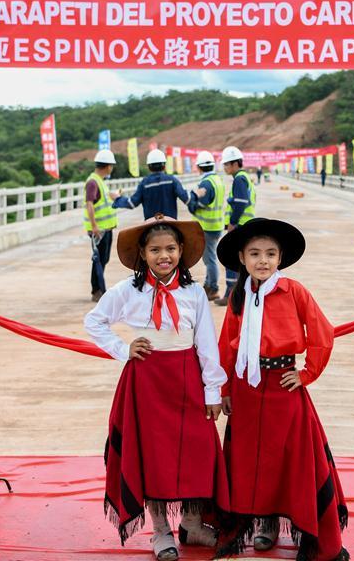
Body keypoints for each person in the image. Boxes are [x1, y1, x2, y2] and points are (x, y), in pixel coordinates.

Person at [84, 215, 229, 561]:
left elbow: (207, 344)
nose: (163, 255)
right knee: (152, 455)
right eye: (155, 250)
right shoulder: (126, 291)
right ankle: (161, 530)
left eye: (170, 248)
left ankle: (192, 525)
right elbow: (94, 321)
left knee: (198, 451)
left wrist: (212, 390)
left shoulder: (194, 293)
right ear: (143, 254)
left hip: (187, 378)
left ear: (181, 251)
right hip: (146, 382)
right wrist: (124, 348)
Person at [215, 218, 349, 561]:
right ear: (242, 259)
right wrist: (224, 388)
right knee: (251, 460)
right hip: (246, 389)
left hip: (282, 387)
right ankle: (262, 521)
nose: (263, 260)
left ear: (280, 258)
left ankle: (278, 523)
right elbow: (227, 346)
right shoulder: (239, 295)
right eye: (255, 254)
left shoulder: (295, 291)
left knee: (286, 458)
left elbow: (323, 333)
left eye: (270, 254)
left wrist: (306, 374)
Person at [214, 146, 256, 307]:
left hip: (239, 226)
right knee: (239, 260)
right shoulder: (244, 177)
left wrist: (232, 222)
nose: (224, 167)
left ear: (235, 164)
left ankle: (231, 294)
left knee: (231, 259)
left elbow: (241, 203)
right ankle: (238, 293)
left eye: (226, 164)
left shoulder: (239, 179)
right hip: (244, 225)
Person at [187, 150, 225, 301]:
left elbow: (198, 205)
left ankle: (213, 289)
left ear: (199, 167)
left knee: (210, 260)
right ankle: (208, 285)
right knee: (210, 258)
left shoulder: (206, 183)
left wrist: (191, 199)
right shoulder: (217, 180)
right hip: (215, 225)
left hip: (207, 227)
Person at [84, 149, 121, 302]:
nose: (111, 168)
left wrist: (115, 196)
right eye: (111, 166)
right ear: (107, 166)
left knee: (103, 259)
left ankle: (99, 288)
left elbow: (103, 201)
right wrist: (94, 226)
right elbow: (89, 204)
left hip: (106, 228)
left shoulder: (101, 182)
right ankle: (96, 290)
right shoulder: (93, 182)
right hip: (99, 230)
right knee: (98, 259)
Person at [114, 149, 189, 219]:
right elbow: (186, 198)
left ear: (149, 167)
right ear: (164, 166)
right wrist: (196, 196)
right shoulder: (172, 180)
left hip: (150, 225)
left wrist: (118, 199)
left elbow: (132, 203)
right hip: (171, 223)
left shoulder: (144, 183)